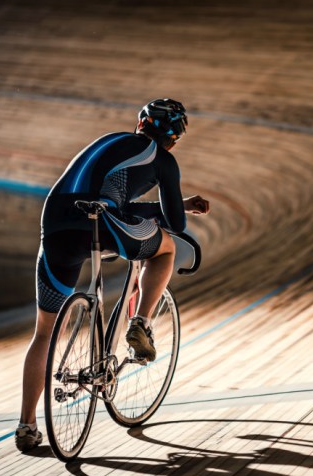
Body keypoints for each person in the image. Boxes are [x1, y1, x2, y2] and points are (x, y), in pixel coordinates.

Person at [15, 98, 210, 452]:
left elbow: (108, 196)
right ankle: (141, 322)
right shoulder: (163, 159)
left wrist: (174, 203)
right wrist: (176, 207)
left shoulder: (107, 140)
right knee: (165, 247)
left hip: (57, 224)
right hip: (106, 224)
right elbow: (175, 223)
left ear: (140, 123)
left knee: (44, 332)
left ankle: (27, 424)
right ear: (176, 139)